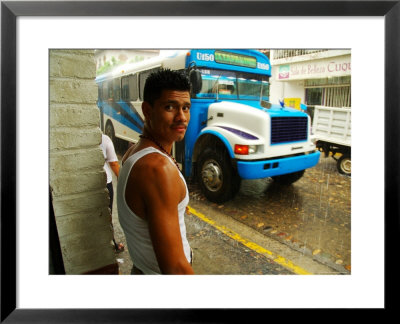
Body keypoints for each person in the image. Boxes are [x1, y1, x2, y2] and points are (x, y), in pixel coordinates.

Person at [117, 69, 194, 274]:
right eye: (170, 107)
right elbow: (175, 268)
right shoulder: (157, 169)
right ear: (148, 110)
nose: (181, 117)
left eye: (186, 108)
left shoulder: (134, 150)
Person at [100, 133, 124, 253]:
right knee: (106, 214)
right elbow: (114, 163)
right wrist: (122, 181)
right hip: (105, 183)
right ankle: (111, 244)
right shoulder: (104, 139)